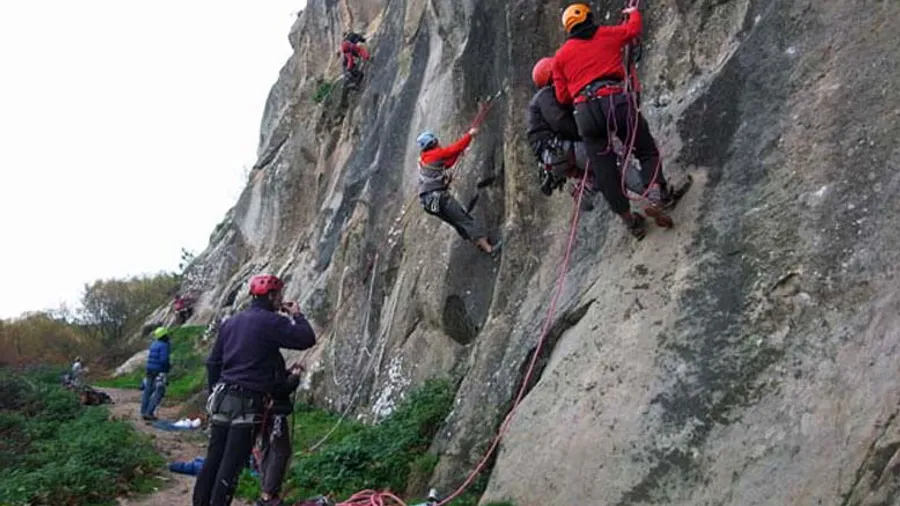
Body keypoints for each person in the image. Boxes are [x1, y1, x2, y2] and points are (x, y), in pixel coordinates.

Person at [552, 3, 683, 239]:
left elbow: (562, 96)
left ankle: (629, 222)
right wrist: (632, 13)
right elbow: (633, 30)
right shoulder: (606, 34)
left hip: (585, 112)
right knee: (645, 148)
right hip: (615, 100)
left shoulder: (560, 57)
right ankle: (655, 195)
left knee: (605, 171)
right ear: (589, 17)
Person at [192, 274, 316, 506]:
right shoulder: (271, 321)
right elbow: (306, 338)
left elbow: (213, 363)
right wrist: (297, 315)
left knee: (214, 458)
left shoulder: (231, 322)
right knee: (231, 463)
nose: (281, 299)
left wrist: (213, 392)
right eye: (279, 295)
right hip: (248, 401)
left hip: (222, 396)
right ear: (271, 296)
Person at [416, 129, 500, 255]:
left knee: (456, 222)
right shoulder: (435, 154)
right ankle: (489, 249)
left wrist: (458, 153)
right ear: (433, 143)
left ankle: (477, 244)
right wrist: (470, 135)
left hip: (428, 203)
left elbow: (447, 163)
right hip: (438, 197)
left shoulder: (424, 158)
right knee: (464, 219)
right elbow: (455, 148)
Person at [254, 362, 304, 506]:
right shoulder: (268, 358)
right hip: (274, 414)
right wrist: (294, 378)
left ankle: (267, 492)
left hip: (263, 413)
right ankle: (268, 495)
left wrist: (288, 373)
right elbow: (278, 389)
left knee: (268, 451)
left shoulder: (258, 358)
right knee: (280, 452)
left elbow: (274, 380)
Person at [141, 327, 171, 421]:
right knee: (160, 391)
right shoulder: (164, 345)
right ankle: (149, 413)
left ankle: (143, 411)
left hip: (149, 370)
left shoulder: (154, 344)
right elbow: (164, 360)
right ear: (164, 335)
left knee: (148, 391)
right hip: (159, 371)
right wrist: (167, 368)